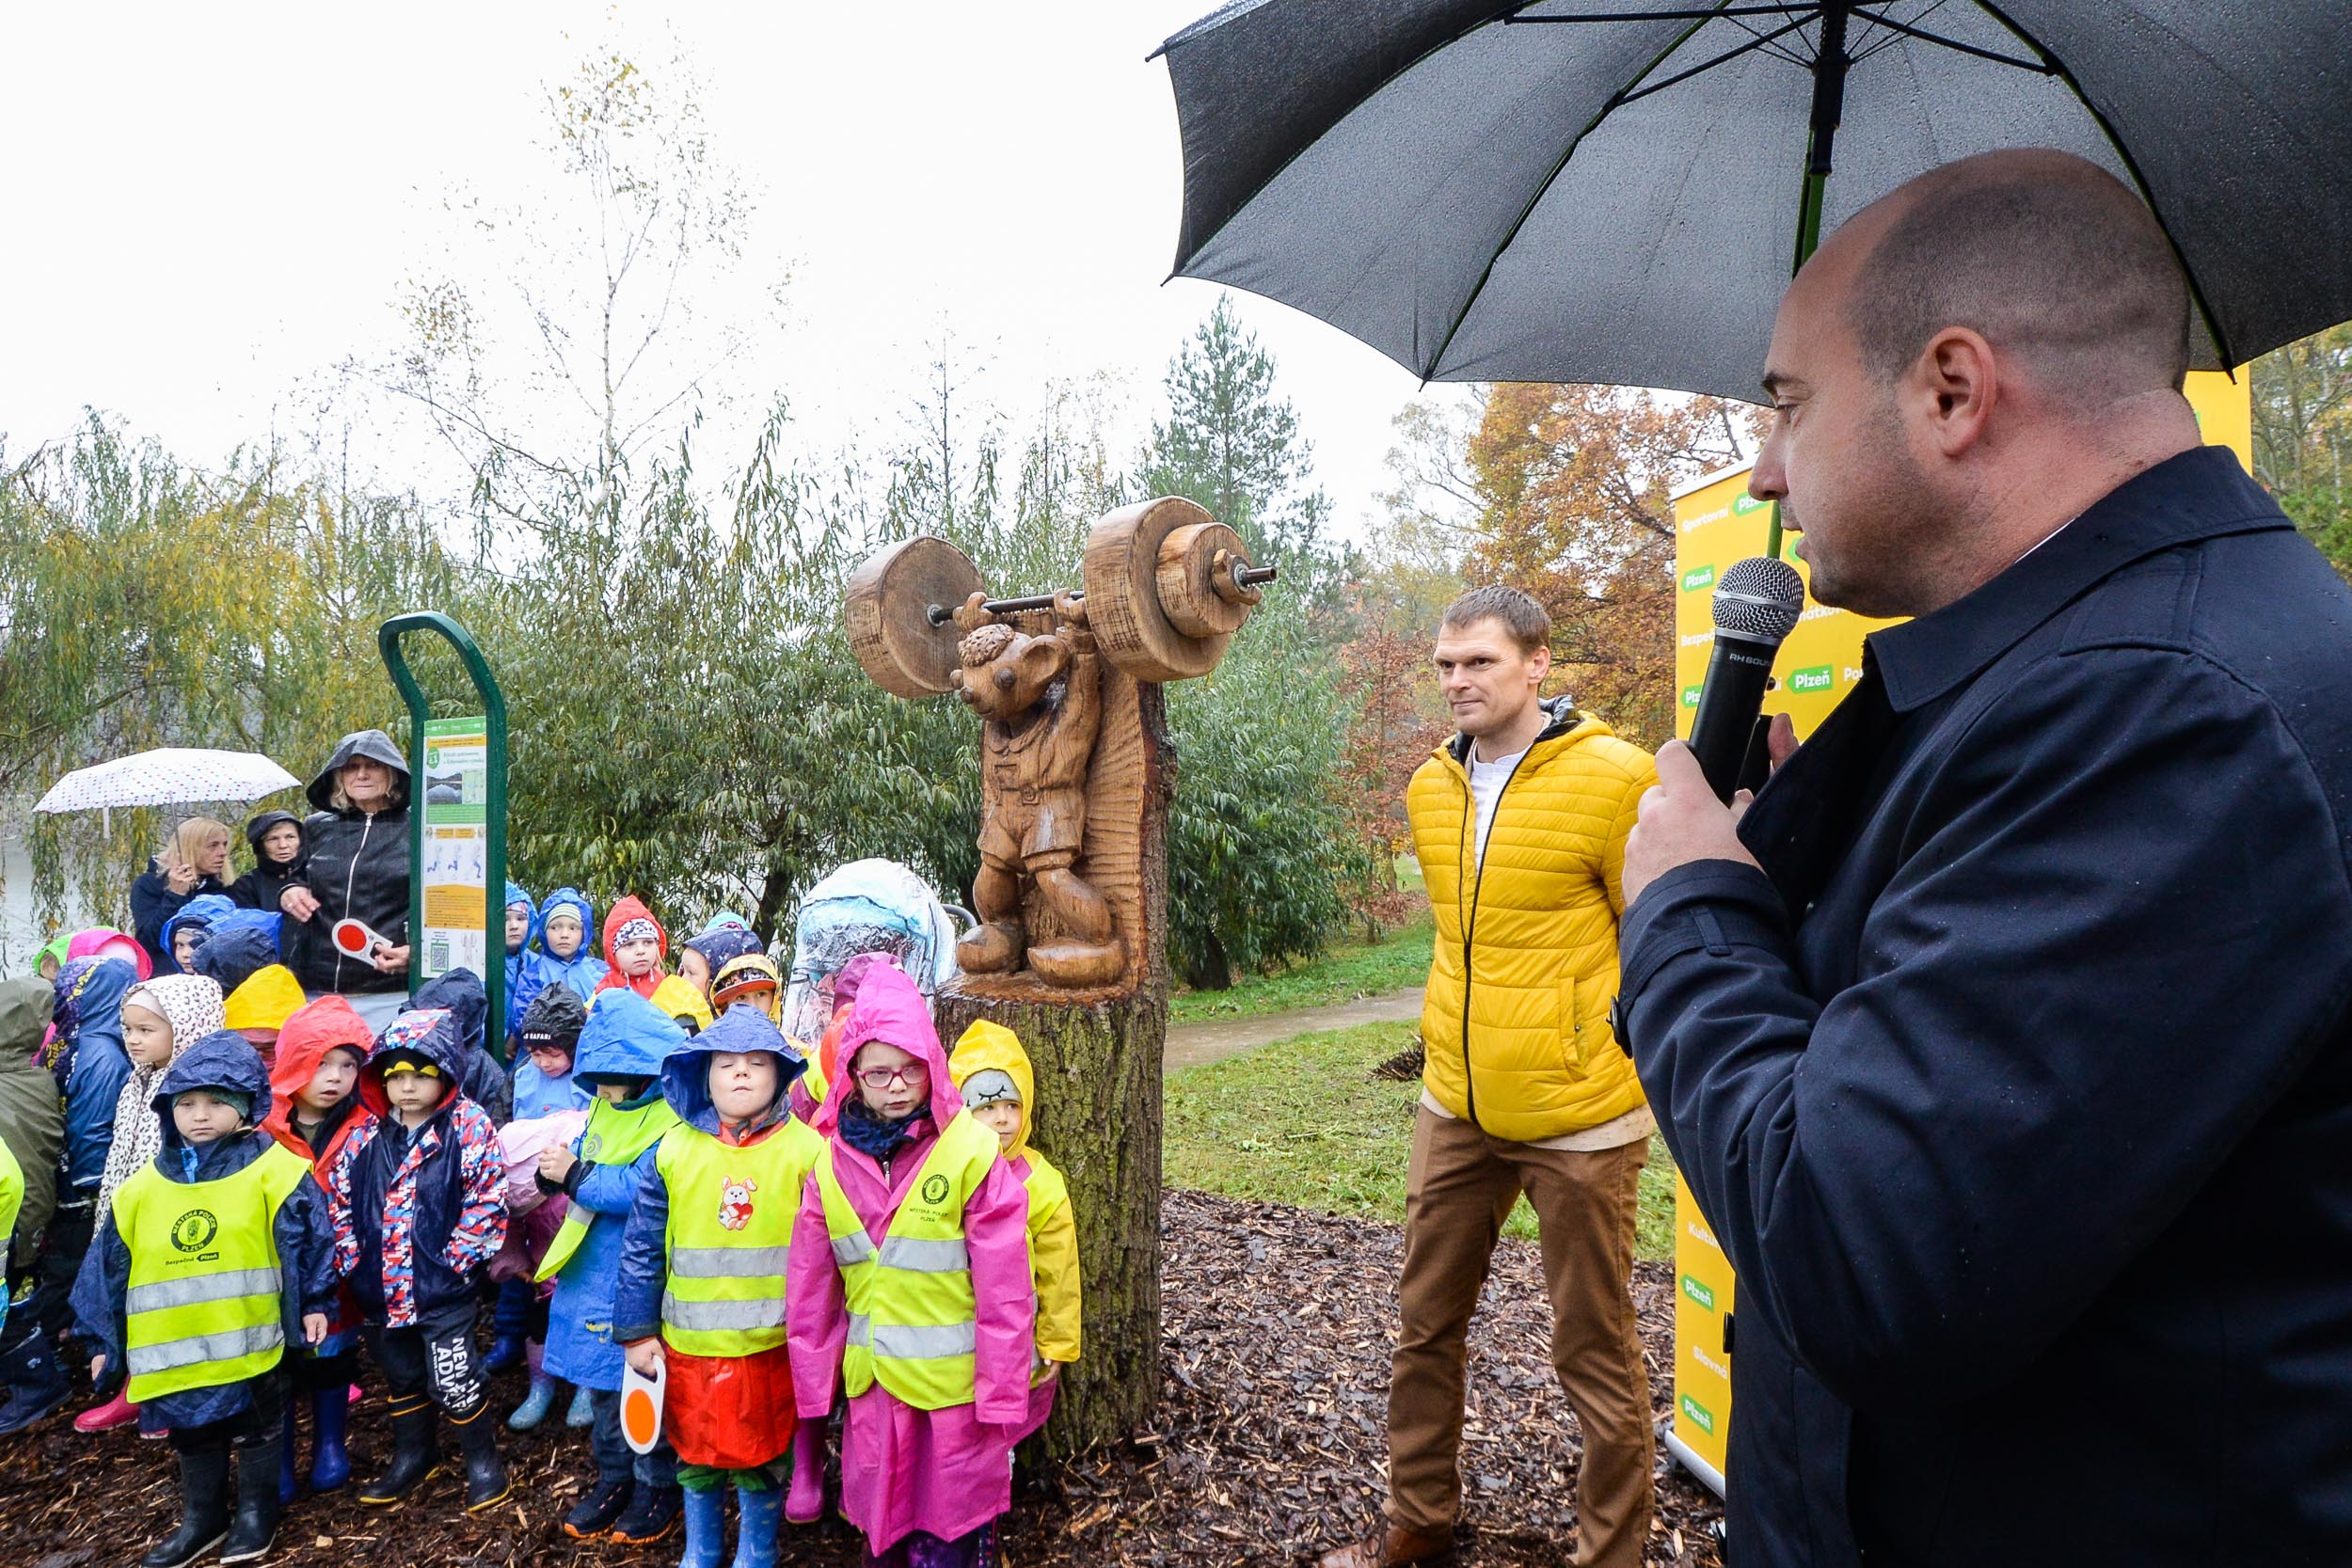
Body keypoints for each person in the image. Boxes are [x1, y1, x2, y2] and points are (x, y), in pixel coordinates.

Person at [1614, 149, 2352, 1565]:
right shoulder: (2080, 676)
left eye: (1789, 400)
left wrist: (1688, 911)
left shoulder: (2172, 711)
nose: (1765, 467)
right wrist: (1797, 884)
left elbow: (1863, 1253)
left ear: (1952, 390)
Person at [1322, 585, 1659, 1568]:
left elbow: (1656, 940)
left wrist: (1606, 1046)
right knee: (1424, 1322)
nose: (1456, 681)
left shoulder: (1616, 778)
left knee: (1592, 1350)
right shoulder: (1432, 786)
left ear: (1537, 662)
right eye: (1444, 665)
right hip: (1457, 1102)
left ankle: (1613, 1555)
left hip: (1579, 1111)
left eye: (1478, 661)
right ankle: (1417, 1523)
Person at [789, 964, 1034, 1568]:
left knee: (951, 1532)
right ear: (852, 1076)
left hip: (955, 1399)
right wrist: (814, 1390)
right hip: (874, 1393)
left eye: (910, 1068)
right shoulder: (828, 1168)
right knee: (882, 1530)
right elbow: (811, 1290)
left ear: (933, 1064)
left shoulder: (971, 1153)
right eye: (878, 1072)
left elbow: (1006, 1287)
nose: (897, 1087)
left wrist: (1003, 1396)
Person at [72, 1031, 334, 1568]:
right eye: (186, 1103)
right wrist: (103, 1338)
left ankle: (257, 1514)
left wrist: (316, 1304)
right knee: (192, 1431)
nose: (199, 1115)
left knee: (258, 1426)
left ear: (246, 1106)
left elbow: (311, 1244)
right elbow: (107, 1267)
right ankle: (204, 1518)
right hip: (174, 1351)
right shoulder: (141, 1187)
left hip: (252, 1338)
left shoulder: (277, 1171)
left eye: (217, 1102)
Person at [614, 1006, 823, 1568]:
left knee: (765, 1451)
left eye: (757, 1063)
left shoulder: (807, 1152)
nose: (740, 1073)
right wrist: (636, 1330)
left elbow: (831, 1250)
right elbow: (641, 1246)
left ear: (781, 1074)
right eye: (726, 1062)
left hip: (771, 1347)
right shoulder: (673, 1150)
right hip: (689, 1346)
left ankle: (758, 1549)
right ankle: (701, 1547)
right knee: (695, 1449)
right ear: (701, 1073)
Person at [325, 1006, 510, 1513]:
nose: (406, 1087)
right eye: (396, 1075)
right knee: (401, 1372)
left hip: (441, 1288)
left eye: (420, 1074)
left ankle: (482, 1460)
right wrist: (351, 1259)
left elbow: (487, 1197)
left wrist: (457, 1258)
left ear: (445, 1072)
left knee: (454, 1374)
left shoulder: (466, 1127)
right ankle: (414, 1454)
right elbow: (340, 1200)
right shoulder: (365, 1135)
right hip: (380, 1289)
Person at [536, 990, 688, 1545]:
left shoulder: (671, 1118)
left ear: (640, 1070)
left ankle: (656, 1486)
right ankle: (615, 1478)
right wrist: (554, 1173)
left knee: (645, 1385)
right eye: (594, 1076)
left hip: (635, 1274)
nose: (599, 1088)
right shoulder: (607, 1104)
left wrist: (576, 1174)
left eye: (610, 1075)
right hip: (590, 1276)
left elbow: (645, 1187)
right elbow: (585, 1151)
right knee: (603, 1391)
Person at [72, 974, 230, 1436]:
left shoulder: (196, 1092)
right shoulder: (137, 1082)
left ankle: (162, 1394)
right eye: (128, 1028)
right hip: (135, 1216)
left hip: (179, 1226)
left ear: (185, 1025)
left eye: (147, 1029)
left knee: (171, 1308)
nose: (134, 1040)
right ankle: (139, 1385)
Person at [262, 995, 378, 1500]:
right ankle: (279, 1458)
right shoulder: (263, 1129)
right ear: (294, 1062)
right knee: (280, 1365)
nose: (334, 1077)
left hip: (339, 1272)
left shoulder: (365, 1126)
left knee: (334, 1354)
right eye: (321, 1063)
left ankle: (331, 1445)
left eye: (348, 1065)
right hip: (279, 1268)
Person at [948, 1022, 1080, 1447]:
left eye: (1011, 1104)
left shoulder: (1042, 1183)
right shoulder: (945, 1173)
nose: (1001, 1118)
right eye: (984, 1107)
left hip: (1020, 1344)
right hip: (954, 1343)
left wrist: (1057, 1342)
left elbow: (1059, 1272)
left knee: (1002, 1434)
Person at [277, 731, 414, 1028]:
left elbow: (442, 902)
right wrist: (290, 891)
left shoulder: (418, 829)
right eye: (352, 767)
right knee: (325, 1075)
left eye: (373, 766)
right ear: (339, 776)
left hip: (387, 992)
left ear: (392, 773)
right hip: (316, 989)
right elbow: (298, 877)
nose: (362, 774)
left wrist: (417, 950)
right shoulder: (316, 827)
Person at [0, 977, 69, 1435]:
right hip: (27, 1211)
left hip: (14, 1214)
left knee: (8, 1305)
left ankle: (39, 1378)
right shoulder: (37, 1077)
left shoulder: (13, 1086)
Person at [130, 817, 232, 974]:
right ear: (188, 848)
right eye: (213, 846)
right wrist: (175, 895)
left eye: (224, 844)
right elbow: (148, 941)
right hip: (169, 979)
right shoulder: (149, 883)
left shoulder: (219, 887)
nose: (222, 853)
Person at [509, 887, 610, 1037]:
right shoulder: (533, 975)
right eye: (555, 927)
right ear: (544, 931)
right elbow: (522, 1021)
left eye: (573, 928)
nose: (564, 935)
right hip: (544, 1054)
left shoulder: (601, 972)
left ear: (584, 932)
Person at [594, 896, 671, 1003]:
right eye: (629, 944)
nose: (640, 951)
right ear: (613, 953)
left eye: (648, 942)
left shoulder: (667, 987)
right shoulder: (605, 991)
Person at [229, 811, 307, 913]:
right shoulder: (247, 885)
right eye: (273, 839)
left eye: (290, 837)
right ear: (261, 846)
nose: (283, 845)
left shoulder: (315, 877)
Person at [676, 924, 763, 1002]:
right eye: (683, 970)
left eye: (691, 973)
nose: (682, 979)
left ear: (716, 980)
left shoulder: (732, 1018)